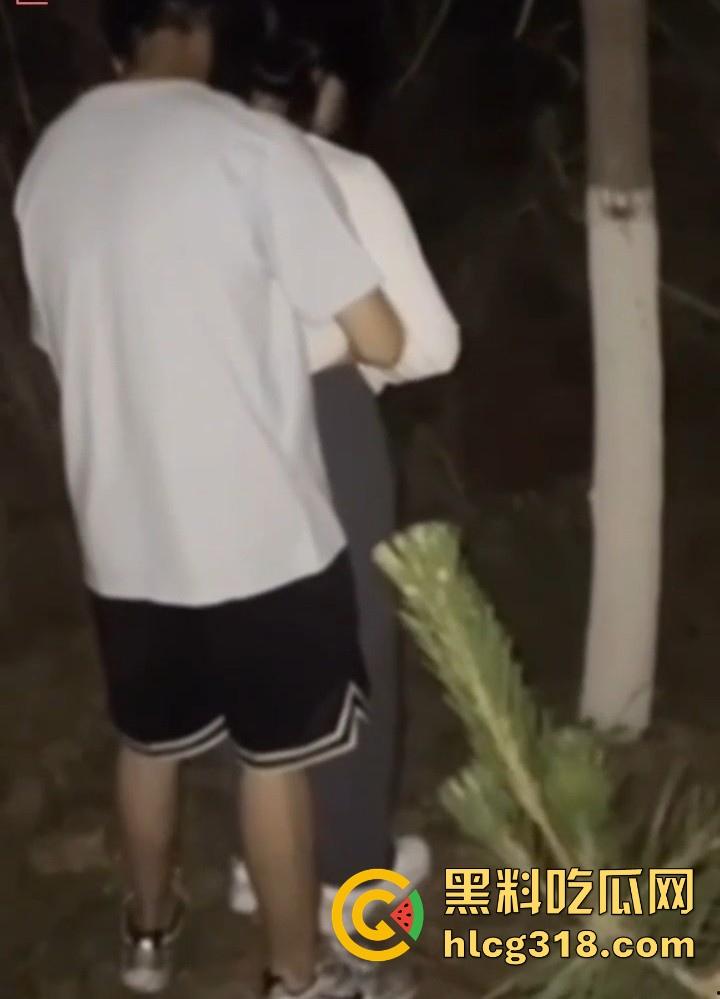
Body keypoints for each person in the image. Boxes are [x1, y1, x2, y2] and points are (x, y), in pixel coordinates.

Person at [13, 2, 407, 998]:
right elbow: (383, 337)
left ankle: (147, 937)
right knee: (275, 765)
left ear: (121, 39)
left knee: (148, 743)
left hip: (121, 533)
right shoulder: (252, 149)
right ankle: (295, 975)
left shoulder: (52, 161)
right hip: (257, 535)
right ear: (208, 34)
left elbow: (62, 340)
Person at [220, 4, 460, 985]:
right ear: (326, 89)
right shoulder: (340, 177)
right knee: (352, 657)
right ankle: (355, 891)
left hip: (207, 433)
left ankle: (260, 861)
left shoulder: (179, 177)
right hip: (322, 423)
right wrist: (351, 357)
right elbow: (431, 344)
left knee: (249, 644)